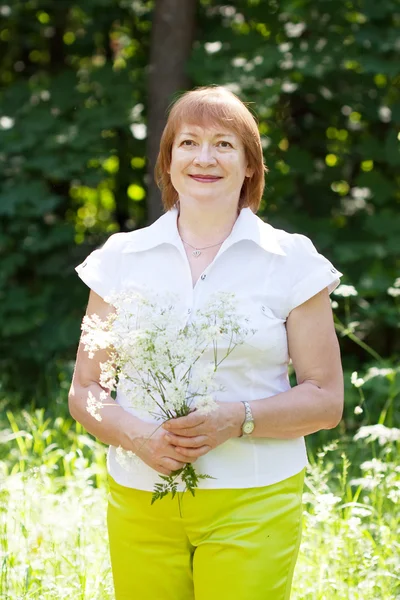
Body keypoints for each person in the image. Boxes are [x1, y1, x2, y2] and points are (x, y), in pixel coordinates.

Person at [69, 85, 344, 600]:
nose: (204, 158)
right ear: (168, 162)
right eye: (189, 142)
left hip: (254, 499)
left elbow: (326, 400)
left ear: (249, 166)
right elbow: (85, 389)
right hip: (139, 498)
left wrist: (235, 418)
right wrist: (139, 436)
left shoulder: (292, 260)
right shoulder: (121, 256)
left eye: (224, 144)